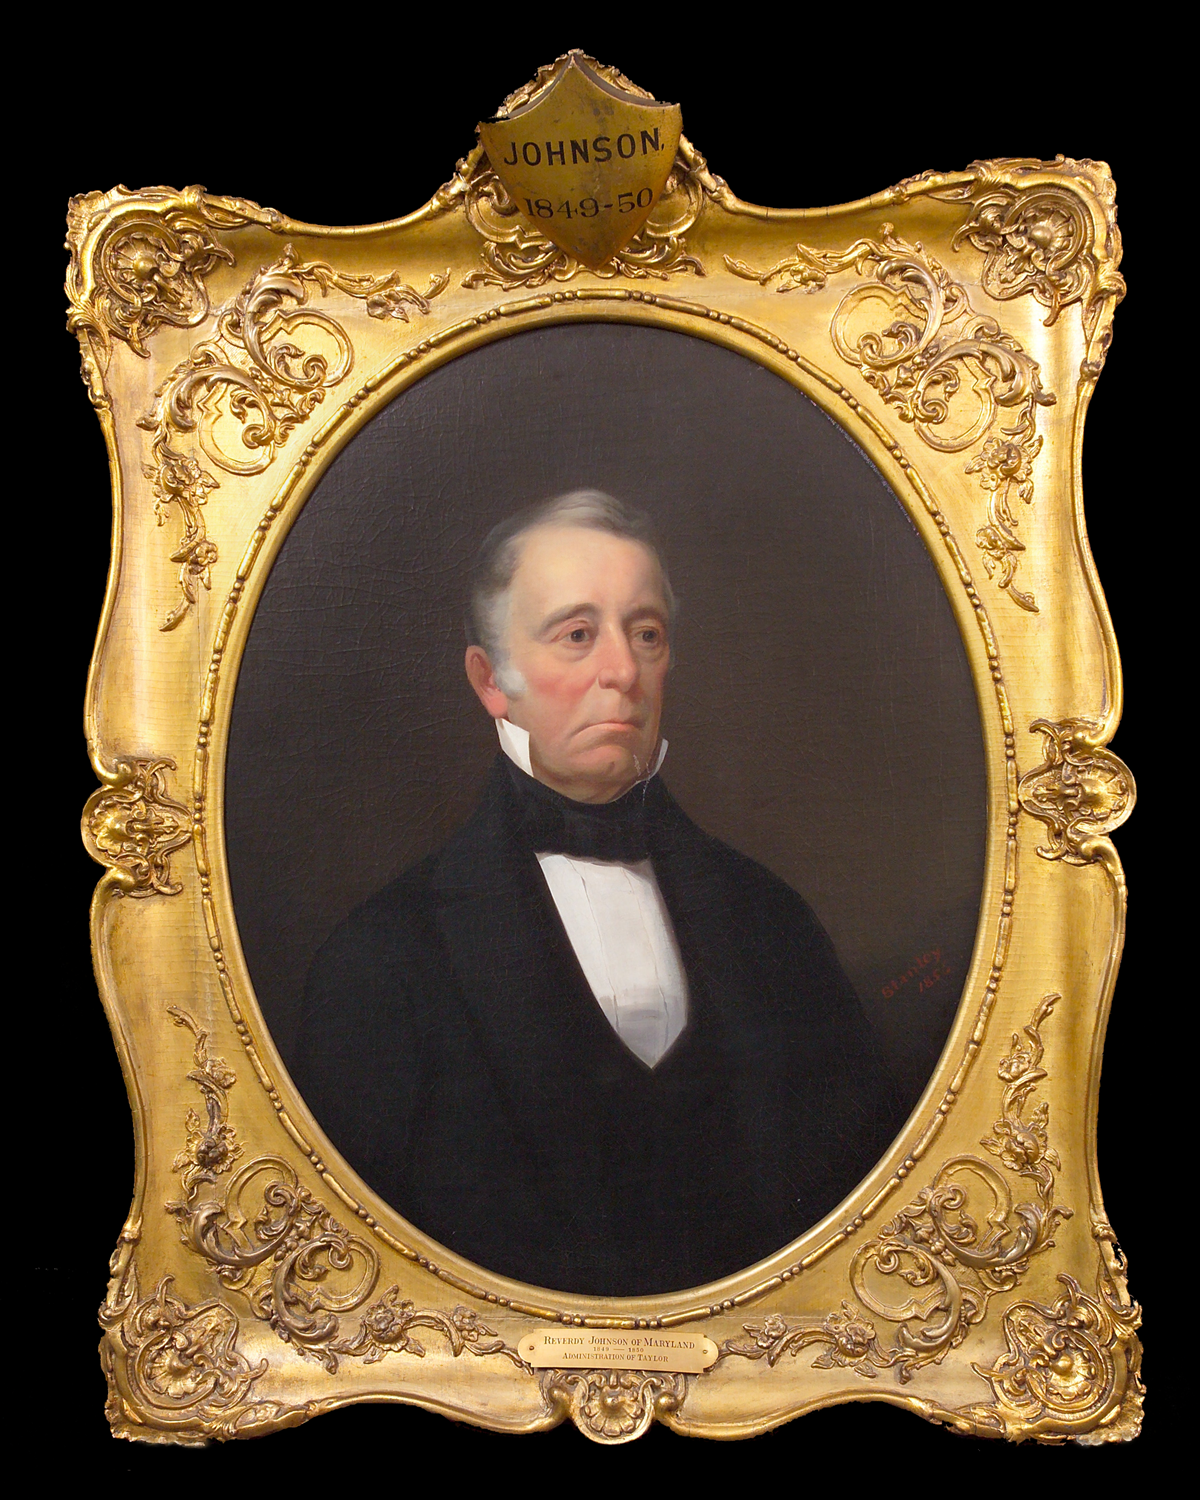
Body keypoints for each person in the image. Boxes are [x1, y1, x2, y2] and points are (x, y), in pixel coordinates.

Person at [294, 491, 905, 1296]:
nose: (622, 671)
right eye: (577, 635)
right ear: (490, 679)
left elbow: (863, 1225)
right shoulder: (379, 961)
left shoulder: (773, 923)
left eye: (645, 634)